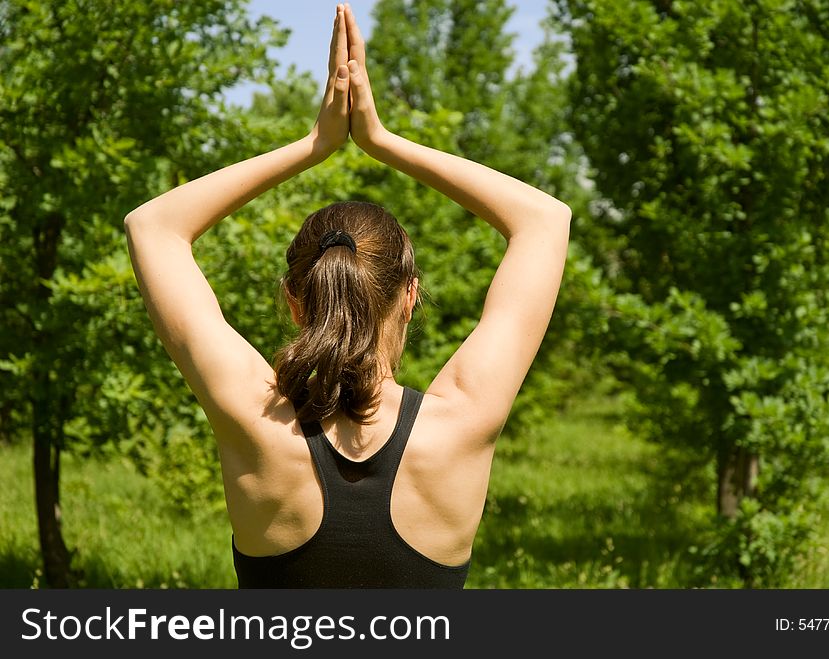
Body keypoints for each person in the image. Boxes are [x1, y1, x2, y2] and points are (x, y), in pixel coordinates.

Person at [124, 4, 570, 588]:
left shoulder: (255, 421)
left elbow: (152, 227)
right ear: (410, 296)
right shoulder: (463, 421)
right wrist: (381, 139)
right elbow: (545, 220)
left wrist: (316, 142)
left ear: (294, 300)